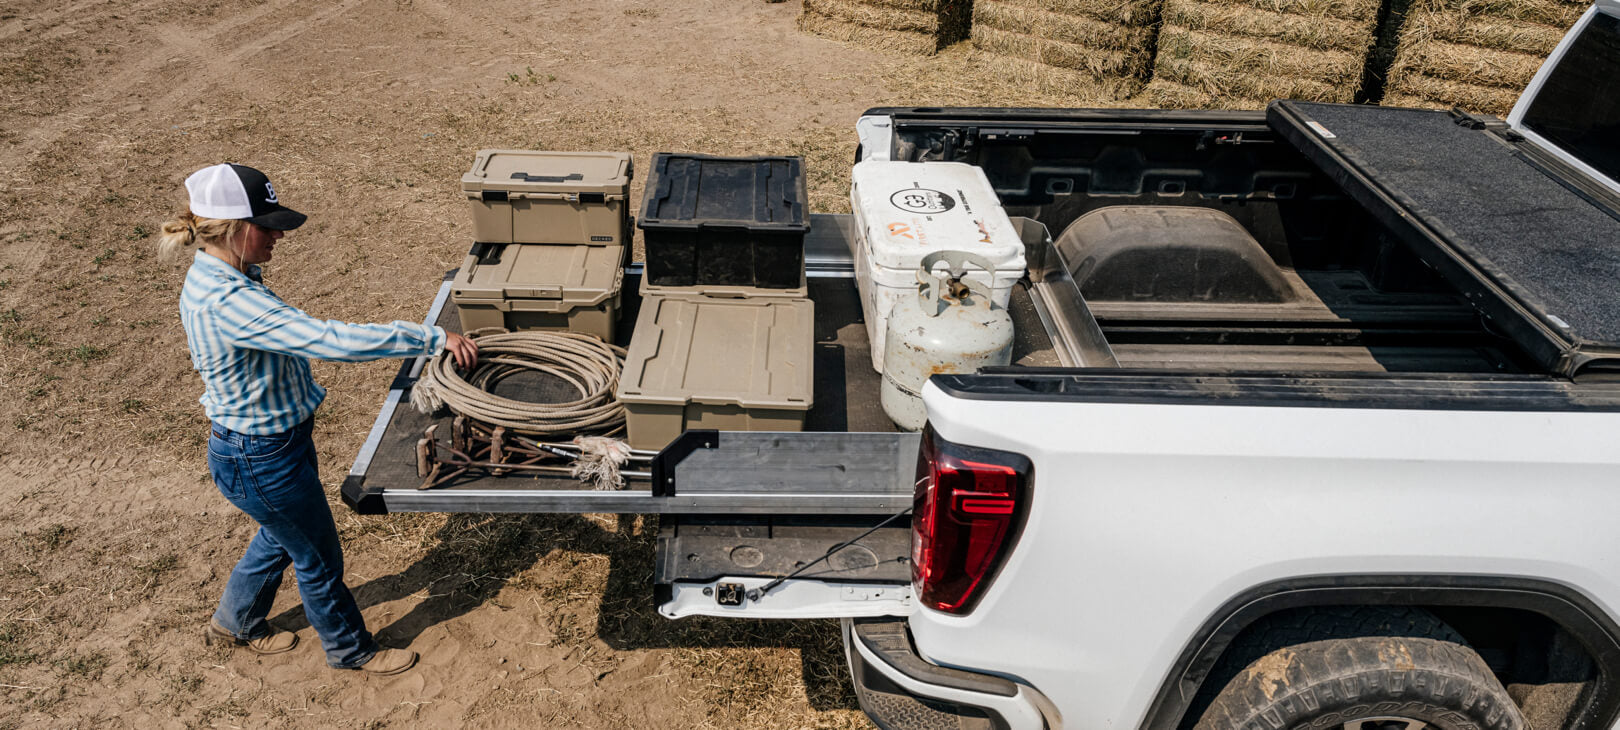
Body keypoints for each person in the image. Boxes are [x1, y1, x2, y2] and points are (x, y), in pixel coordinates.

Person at [158, 163, 477, 675]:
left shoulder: (225, 272)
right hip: (262, 455)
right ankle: (351, 650)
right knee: (318, 557)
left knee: (280, 534)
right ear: (234, 229)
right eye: (268, 225)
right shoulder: (229, 302)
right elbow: (330, 340)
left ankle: (234, 621)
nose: (279, 234)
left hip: (261, 448)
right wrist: (430, 337)